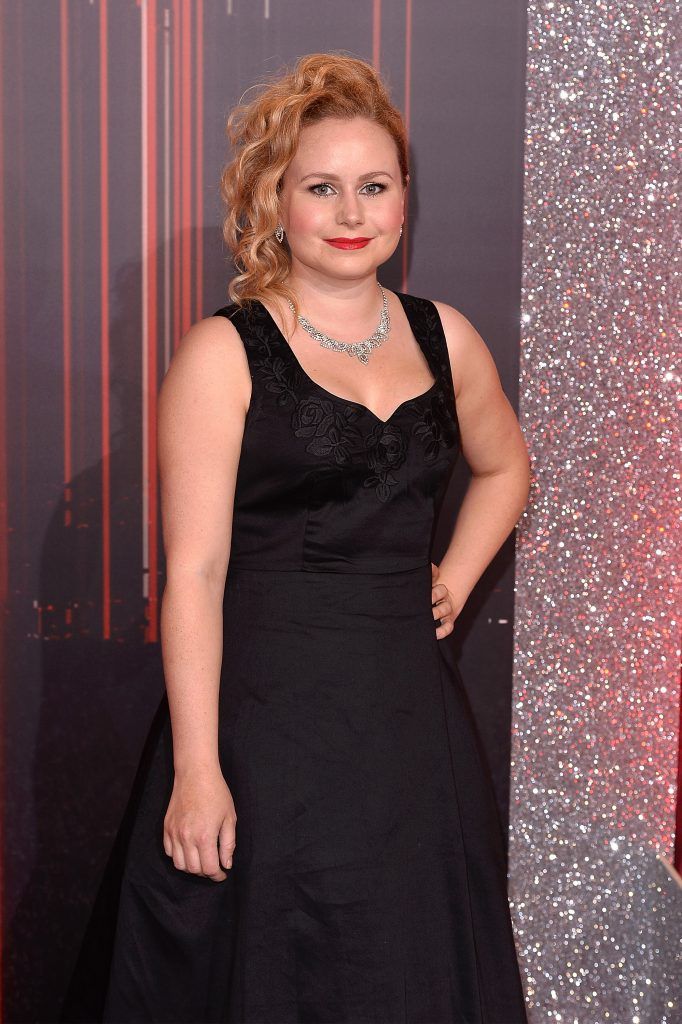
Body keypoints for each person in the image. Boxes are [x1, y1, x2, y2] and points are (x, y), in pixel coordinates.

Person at [65, 52, 531, 1023]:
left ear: (405, 202)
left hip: (410, 732)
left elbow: (505, 466)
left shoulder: (446, 335)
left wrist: (454, 571)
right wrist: (199, 771)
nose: (350, 209)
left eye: (374, 185)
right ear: (275, 200)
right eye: (321, 187)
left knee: (410, 967)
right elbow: (191, 573)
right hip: (265, 724)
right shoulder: (224, 350)